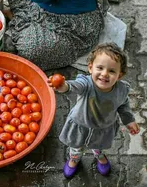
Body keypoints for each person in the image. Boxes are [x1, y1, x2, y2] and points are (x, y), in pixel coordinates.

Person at [48, 42, 140, 178]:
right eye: (100, 68)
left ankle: (99, 155)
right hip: (81, 125)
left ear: (119, 75)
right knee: (76, 146)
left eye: (112, 71)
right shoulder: (86, 84)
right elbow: (74, 86)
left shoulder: (121, 89)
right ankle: (74, 158)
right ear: (90, 68)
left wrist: (129, 120)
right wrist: (64, 86)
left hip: (103, 128)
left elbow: (123, 105)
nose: (104, 74)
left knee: (98, 145)